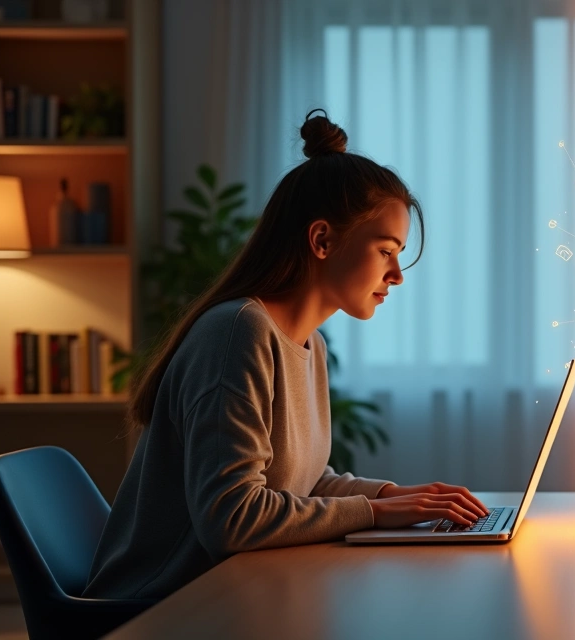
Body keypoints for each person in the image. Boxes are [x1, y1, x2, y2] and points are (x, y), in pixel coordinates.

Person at [85, 110, 488, 600]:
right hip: (162, 608)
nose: (397, 274)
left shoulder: (308, 342)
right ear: (322, 240)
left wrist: (393, 495)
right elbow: (231, 518)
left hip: (230, 593)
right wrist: (377, 513)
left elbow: (302, 482)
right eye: (386, 250)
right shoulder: (239, 332)